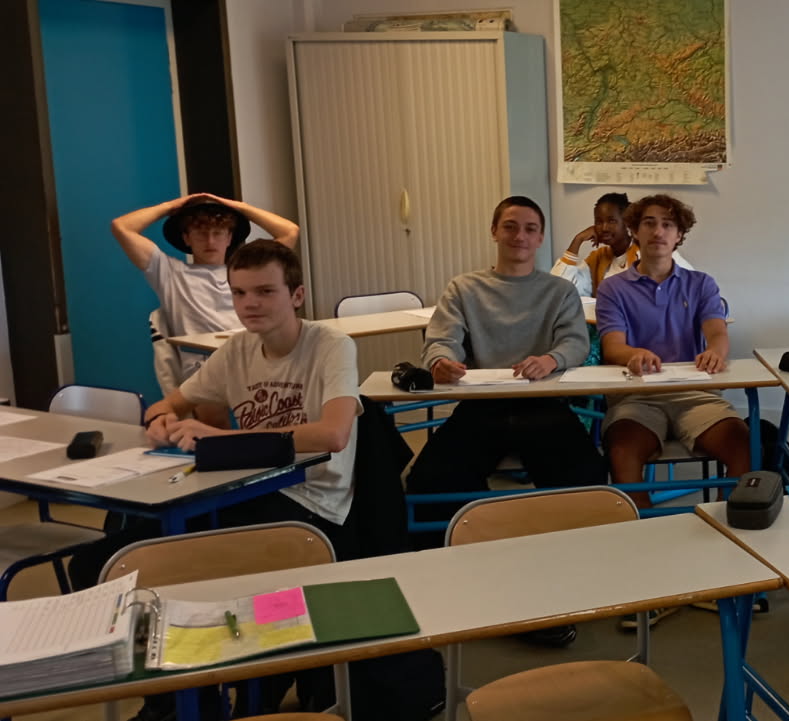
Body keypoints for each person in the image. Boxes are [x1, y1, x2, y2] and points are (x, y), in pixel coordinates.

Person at [70, 239, 357, 721]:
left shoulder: (330, 346)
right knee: (99, 564)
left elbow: (334, 434)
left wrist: (223, 438)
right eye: (239, 293)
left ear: (297, 295)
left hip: (308, 502)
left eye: (265, 291)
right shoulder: (237, 349)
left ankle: (203, 693)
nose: (250, 304)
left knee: (160, 566)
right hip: (241, 489)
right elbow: (171, 403)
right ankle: (180, 697)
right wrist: (162, 419)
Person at [408, 196, 606, 498]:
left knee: (586, 478)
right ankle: (471, 527)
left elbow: (576, 342)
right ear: (494, 231)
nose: (519, 236)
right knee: (429, 481)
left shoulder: (560, 291)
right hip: (482, 404)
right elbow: (442, 340)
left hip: (544, 404)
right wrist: (441, 362)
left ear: (540, 237)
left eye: (530, 229)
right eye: (510, 227)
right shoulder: (463, 288)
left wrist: (551, 360)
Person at [596, 194, 748, 508]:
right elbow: (612, 347)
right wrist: (633, 354)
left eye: (667, 225)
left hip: (695, 393)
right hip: (636, 396)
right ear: (635, 230)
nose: (658, 232)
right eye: (649, 223)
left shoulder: (701, 283)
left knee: (743, 443)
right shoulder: (613, 288)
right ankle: (642, 526)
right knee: (622, 450)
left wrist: (716, 352)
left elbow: (717, 332)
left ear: (679, 235)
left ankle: (727, 519)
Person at [111, 193, 299, 423]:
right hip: (203, 370)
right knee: (209, 405)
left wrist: (236, 207)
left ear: (229, 237)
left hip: (250, 360)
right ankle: (219, 444)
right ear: (186, 238)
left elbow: (290, 232)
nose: (210, 242)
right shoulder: (170, 273)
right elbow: (122, 227)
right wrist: (171, 206)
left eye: (218, 233)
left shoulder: (247, 274)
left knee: (288, 395)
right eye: (201, 234)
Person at [551, 191, 694, 298]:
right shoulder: (599, 258)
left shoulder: (651, 252)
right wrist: (578, 240)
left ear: (627, 223)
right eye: (599, 222)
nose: (604, 228)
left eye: (611, 221)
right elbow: (560, 291)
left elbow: (688, 287)